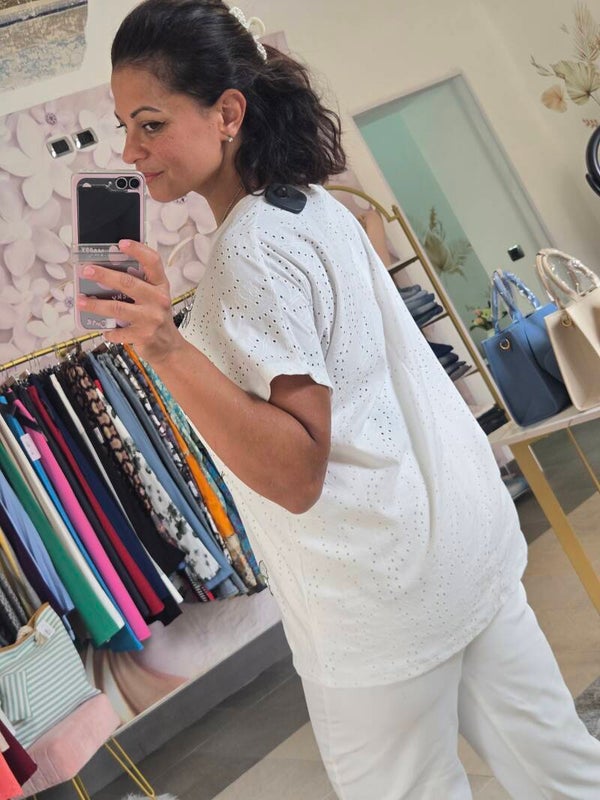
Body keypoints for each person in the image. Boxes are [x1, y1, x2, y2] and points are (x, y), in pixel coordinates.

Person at [76, 1, 600, 796]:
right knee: (563, 771)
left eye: (150, 124)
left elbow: (296, 473)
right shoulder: (312, 204)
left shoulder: (252, 249)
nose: (129, 150)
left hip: (377, 594)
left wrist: (164, 346)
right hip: (461, 544)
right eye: (124, 127)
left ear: (227, 114)